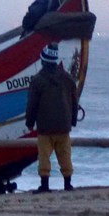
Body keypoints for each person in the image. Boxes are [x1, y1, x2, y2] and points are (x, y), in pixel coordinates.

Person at [25, 43, 79, 193]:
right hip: (63, 125)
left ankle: (45, 185)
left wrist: (30, 122)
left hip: (45, 127)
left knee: (44, 156)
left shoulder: (37, 80)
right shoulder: (68, 79)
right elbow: (74, 102)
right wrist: (72, 121)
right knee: (65, 155)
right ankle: (67, 185)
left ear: (43, 61)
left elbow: (32, 104)